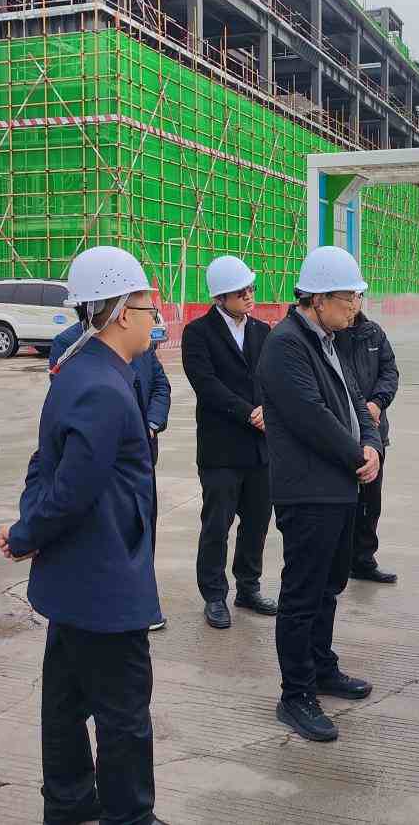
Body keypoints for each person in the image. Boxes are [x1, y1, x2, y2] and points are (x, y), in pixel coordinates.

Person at [0, 246, 168, 825]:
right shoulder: (101, 386)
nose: (154, 317)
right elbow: (69, 486)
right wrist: (26, 533)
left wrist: (29, 527)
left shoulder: (84, 369)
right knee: (124, 713)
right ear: (119, 313)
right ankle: (128, 816)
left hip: (77, 579)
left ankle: (69, 804)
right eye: (147, 306)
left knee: (66, 701)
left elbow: (44, 465)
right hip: (102, 580)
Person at [256, 246, 382, 743]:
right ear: (319, 299)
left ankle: (321, 667)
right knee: (303, 594)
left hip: (340, 487)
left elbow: (354, 400)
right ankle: (295, 694)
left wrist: (371, 445)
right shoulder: (286, 345)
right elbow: (312, 416)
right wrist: (357, 455)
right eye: (349, 298)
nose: (355, 307)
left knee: (330, 585)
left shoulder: (329, 340)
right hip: (308, 492)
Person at [50, 320, 171, 630]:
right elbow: (71, 408)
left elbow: (161, 385)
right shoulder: (70, 344)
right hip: (104, 461)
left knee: (143, 530)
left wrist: (150, 424)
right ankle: (111, 608)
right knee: (108, 534)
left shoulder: (139, 341)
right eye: (146, 308)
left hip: (141, 456)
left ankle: (142, 604)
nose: (152, 319)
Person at [181, 255, 277, 629]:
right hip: (221, 449)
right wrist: (249, 413)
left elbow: (273, 378)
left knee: (257, 522)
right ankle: (214, 595)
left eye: (251, 289)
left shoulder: (262, 332)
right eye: (241, 292)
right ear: (220, 297)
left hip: (260, 448)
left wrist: (268, 409)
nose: (250, 296)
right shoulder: (198, 333)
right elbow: (206, 385)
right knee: (216, 525)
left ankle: (248, 587)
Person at [336, 307, 400, 583]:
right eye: (349, 295)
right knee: (341, 503)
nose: (353, 302)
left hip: (374, 432)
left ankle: (363, 560)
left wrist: (377, 403)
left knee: (370, 503)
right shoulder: (328, 334)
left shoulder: (373, 333)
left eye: (357, 296)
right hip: (340, 431)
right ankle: (338, 561)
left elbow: (390, 372)